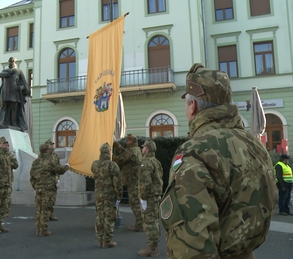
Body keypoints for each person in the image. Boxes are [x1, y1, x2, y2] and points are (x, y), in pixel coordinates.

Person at [161, 63, 276, 258]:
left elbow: (192, 246)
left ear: (193, 106)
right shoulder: (254, 144)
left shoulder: (195, 152)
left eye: (186, 103)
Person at [30, 143, 69, 237]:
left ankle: (38, 229)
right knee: (45, 209)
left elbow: (32, 176)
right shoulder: (49, 161)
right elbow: (60, 170)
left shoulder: (36, 162)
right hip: (48, 189)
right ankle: (43, 230)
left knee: (39, 209)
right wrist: (67, 166)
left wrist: (35, 187)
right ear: (47, 150)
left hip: (38, 188)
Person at [91, 142, 122, 248]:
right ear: (109, 152)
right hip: (110, 195)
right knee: (109, 217)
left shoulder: (95, 164)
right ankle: (107, 240)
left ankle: (100, 239)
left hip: (98, 194)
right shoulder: (113, 165)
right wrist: (119, 196)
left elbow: (94, 174)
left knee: (99, 216)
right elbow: (117, 183)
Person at [137, 138, 163, 257]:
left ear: (147, 149)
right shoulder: (156, 161)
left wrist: (143, 197)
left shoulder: (145, 163)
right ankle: (154, 246)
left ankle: (152, 248)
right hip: (156, 195)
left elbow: (145, 182)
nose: (142, 149)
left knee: (150, 222)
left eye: (143, 147)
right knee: (154, 221)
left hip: (149, 196)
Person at [112, 134, 143, 232]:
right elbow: (124, 152)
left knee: (134, 203)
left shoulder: (131, 151)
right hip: (134, 179)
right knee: (136, 202)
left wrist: (109, 155)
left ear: (132, 141)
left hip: (132, 180)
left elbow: (119, 159)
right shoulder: (135, 149)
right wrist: (115, 143)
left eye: (128, 140)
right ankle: (140, 223)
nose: (126, 141)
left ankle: (139, 224)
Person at [0, 57, 31, 132]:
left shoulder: (19, 71)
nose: (11, 62)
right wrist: (9, 73)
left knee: (14, 109)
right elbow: (0, 75)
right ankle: (0, 122)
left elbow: (24, 83)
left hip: (14, 92)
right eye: (10, 61)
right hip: (5, 92)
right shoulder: (5, 71)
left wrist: (22, 87)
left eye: (13, 61)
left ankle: (14, 124)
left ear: (16, 62)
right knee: (3, 107)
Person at [45, 138, 60, 221]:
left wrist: (58, 179)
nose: (52, 146)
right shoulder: (45, 156)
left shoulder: (55, 156)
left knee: (52, 199)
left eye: (52, 144)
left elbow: (58, 167)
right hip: (46, 182)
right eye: (50, 144)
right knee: (45, 200)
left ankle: (50, 214)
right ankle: (44, 215)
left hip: (53, 181)